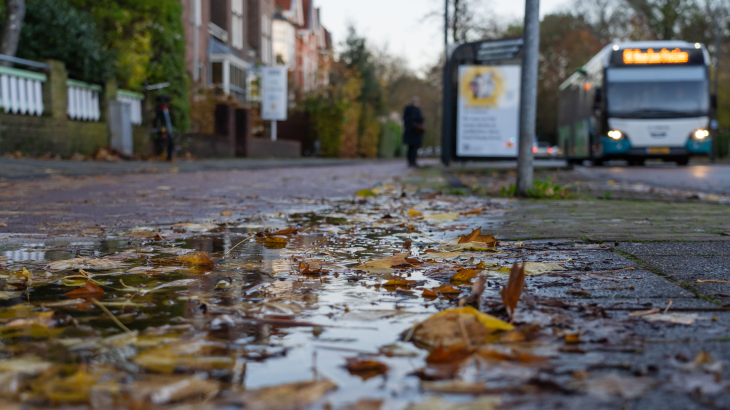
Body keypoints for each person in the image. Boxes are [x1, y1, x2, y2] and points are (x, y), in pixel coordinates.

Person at [402, 97, 425, 167]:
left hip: (408, 131)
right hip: (415, 132)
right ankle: (413, 162)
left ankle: (409, 162)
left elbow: (404, 119)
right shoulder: (416, 110)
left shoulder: (407, 109)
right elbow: (420, 119)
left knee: (410, 147)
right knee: (415, 147)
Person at [153, 95, 175, 161]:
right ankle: (166, 156)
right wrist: (163, 132)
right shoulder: (160, 112)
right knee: (165, 143)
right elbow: (161, 123)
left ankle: (169, 156)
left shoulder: (166, 111)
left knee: (170, 143)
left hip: (168, 129)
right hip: (164, 130)